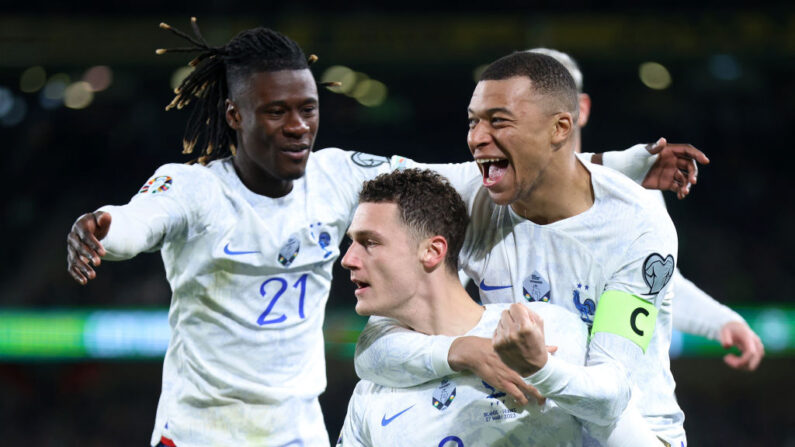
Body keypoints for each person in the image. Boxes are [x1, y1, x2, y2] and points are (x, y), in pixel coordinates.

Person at [65, 20, 701, 446]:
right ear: (234, 115)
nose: (296, 126)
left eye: (307, 109)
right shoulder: (196, 187)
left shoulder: (336, 176)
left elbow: (611, 394)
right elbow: (138, 220)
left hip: (302, 430)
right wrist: (102, 230)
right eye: (276, 111)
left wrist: (628, 163)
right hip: (202, 429)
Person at [354, 51, 690, 445]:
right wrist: (463, 350)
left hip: (630, 432)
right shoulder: (473, 196)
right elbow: (371, 354)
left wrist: (540, 366)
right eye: (473, 121)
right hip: (537, 427)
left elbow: (611, 396)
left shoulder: (635, 228)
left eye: (498, 121)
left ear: (561, 127)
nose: (477, 138)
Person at [338, 168, 661, 446]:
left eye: (370, 242)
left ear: (432, 251)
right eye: (352, 242)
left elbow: (618, 418)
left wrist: (542, 368)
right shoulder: (374, 385)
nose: (348, 259)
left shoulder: (542, 330)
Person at [526, 47, 764, 371]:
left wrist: (720, 321)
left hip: (624, 401)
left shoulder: (633, 187)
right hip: (533, 402)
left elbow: (657, 283)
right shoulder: (493, 197)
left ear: (581, 108)